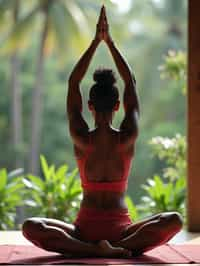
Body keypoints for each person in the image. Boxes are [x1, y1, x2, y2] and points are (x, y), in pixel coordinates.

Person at [22, 6, 183, 258]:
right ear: (118, 106)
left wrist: (95, 42)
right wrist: (110, 43)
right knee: (173, 220)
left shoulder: (81, 137)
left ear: (90, 106)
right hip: (122, 233)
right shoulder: (127, 137)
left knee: (31, 227)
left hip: (83, 230)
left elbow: (73, 82)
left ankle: (88, 250)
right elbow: (130, 81)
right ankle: (118, 250)